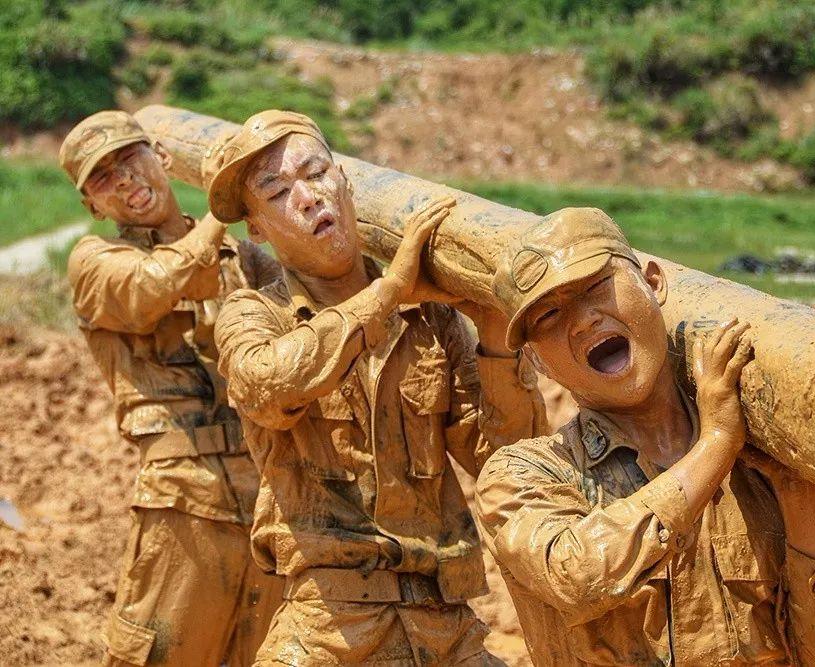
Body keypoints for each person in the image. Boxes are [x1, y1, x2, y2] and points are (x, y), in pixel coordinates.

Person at [208, 110, 547, 665]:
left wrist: (495, 344)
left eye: (316, 173)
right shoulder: (254, 314)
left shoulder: (430, 321)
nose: (308, 197)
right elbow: (267, 389)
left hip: (442, 620)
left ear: (344, 181)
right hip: (329, 624)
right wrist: (386, 293)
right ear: (258, 230)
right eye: (276, 193)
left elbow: (504, 462)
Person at [475, 208, 815, 666]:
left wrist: (800, 498)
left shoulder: (762, 464)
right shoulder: (524, 477)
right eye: (550, 314)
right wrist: (717, 443)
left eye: (595, 287)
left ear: (653, 282)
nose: (583, 321)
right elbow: (579, 573)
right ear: (537, 363)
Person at [60, 111, 283, 666]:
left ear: (161, 157)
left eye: (130, 159)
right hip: (185, 503)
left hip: (271, 505)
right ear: (94, 205)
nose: (126, 181)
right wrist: (220, 207)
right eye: (104, 178)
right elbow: (153, 286)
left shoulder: (247, 260)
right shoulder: (96, 262)